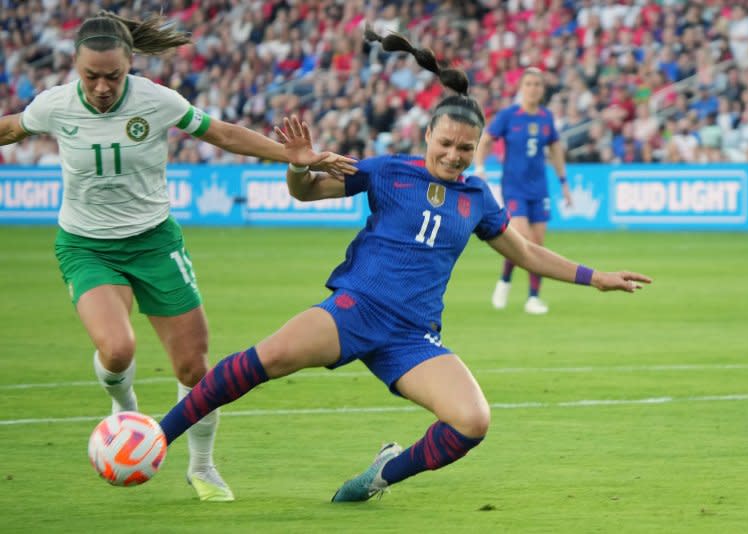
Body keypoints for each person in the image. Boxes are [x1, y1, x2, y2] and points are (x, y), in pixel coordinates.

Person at [156, 30, 651, 503]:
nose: (454, 155)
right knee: (257, 364)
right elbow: (307, 192)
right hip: (353, 309)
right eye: (446, 143)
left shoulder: (478, 197)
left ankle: (380, 474)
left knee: (472, 421)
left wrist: (596, 278)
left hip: (412, 336)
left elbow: (526, 253)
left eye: (465, 148)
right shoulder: (388, 170)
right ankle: (158, 437)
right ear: (427, 134)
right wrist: (298, 164)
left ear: (477, 149)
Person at [0, 11, 355, 502]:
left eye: (113, 76)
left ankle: (203, 467)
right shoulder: (54, 105)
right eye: (91, 76)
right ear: (75, 69)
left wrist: (293, 156)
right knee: (118, 349)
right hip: (86, 245)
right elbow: (13, 128)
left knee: (195, 369)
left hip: (155, 243)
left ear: (129, 67)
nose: (102, 86)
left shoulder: (157, 100)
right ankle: (125, 412)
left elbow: (223, 134)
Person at [473, 67, 573, 315]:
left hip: (539, 190)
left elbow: (556, 149)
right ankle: (507, 284)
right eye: (528, 84)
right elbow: (486, 140)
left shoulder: (546, 118)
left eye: (537, 85)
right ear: (521, 88)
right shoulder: (509, 115)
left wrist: (563, 182)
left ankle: (532, 297)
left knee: (537, 243)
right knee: (524, 240)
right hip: (514, 189)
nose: (533, 88)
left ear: (542, 90)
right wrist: (480, 167)